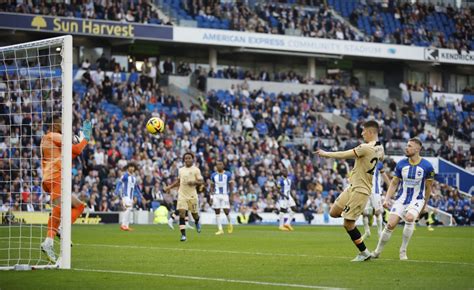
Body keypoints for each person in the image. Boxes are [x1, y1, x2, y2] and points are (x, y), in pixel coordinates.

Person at [314, 120, 384, 262]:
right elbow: (379, 159)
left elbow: (344, 154)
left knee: (348, 224)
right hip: (352, 187)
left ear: (371, 132)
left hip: (361, 189)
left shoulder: (365, 147)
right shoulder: (380, 148)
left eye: (364, 131)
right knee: (334, 212)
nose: (362, 133)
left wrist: (325, 154)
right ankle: (359, 211)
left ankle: (364, 253)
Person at [372, 138, 435, 260]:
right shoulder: (401, 164)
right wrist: (387, 199)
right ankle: (377, 251)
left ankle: (403, 250)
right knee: (390, 224)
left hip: (418, 199)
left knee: (410, 218)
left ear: (417, 149)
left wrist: (424, 204)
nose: (406, 148)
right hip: (401, 198)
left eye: (410, 146)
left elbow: (428, 188)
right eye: (407, 145)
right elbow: (394, 183)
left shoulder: (427, 166)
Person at [40, 117, 92, 263]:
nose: (64, 127)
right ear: (55, 125)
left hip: (52, 177)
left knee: (79, 206)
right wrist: (85, 138)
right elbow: (76, 149)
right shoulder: (53, 135)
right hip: (55, 176)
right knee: (58, 209)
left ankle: (61, 229)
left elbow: (73, 153)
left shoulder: (49, 139)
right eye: (61, 124)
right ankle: (48, 242)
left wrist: (80, 140)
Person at [164, 153, 204, 242]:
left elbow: (201, 181)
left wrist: (194, 182)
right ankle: (183, 235)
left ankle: (197, 221)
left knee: (195, 214)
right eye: (186, 158)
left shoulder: (196, 170)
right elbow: (178, 181)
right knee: (182, 213)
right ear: (184, 160)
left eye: (189, 158)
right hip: (182, 194)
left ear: (192, 159)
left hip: (192, 195)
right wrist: (169, 187)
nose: (187, 160)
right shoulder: (181, 170)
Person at [361, 161, 390, 241]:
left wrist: (390, 186)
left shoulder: (379, 163)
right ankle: (367, 232)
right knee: (364, 213)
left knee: (378, 212)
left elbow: (384, 176)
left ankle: (379, 233)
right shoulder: (363, 162)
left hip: (375, 191)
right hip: (365, 190)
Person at [115, 162, 142, 231]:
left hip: (131, 196)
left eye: (133, 167)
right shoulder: (125, 176)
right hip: (125, 195)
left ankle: (126, 226)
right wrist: (117, 190)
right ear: (128, 168)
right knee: (128, 209)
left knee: (129, 210)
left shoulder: (134, 178)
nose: (132, 168)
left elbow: (136, 187)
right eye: (130, 166)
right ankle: (123, 225)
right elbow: (119, 182)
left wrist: (139, 194)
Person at [210, 161, 234, 235]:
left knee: (226, 210)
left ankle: (230, 223)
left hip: (225, 195)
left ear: (223, 165)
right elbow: (212, 187)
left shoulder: (228, 174)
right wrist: (211, 196)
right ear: (216, 166)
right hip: (216, 195)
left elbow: (231, 186)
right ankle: (220, 229)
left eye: (220, 164)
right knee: (217, 211)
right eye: (217, 165)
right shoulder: (213, 175)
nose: (219, 166)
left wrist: (231, 195)